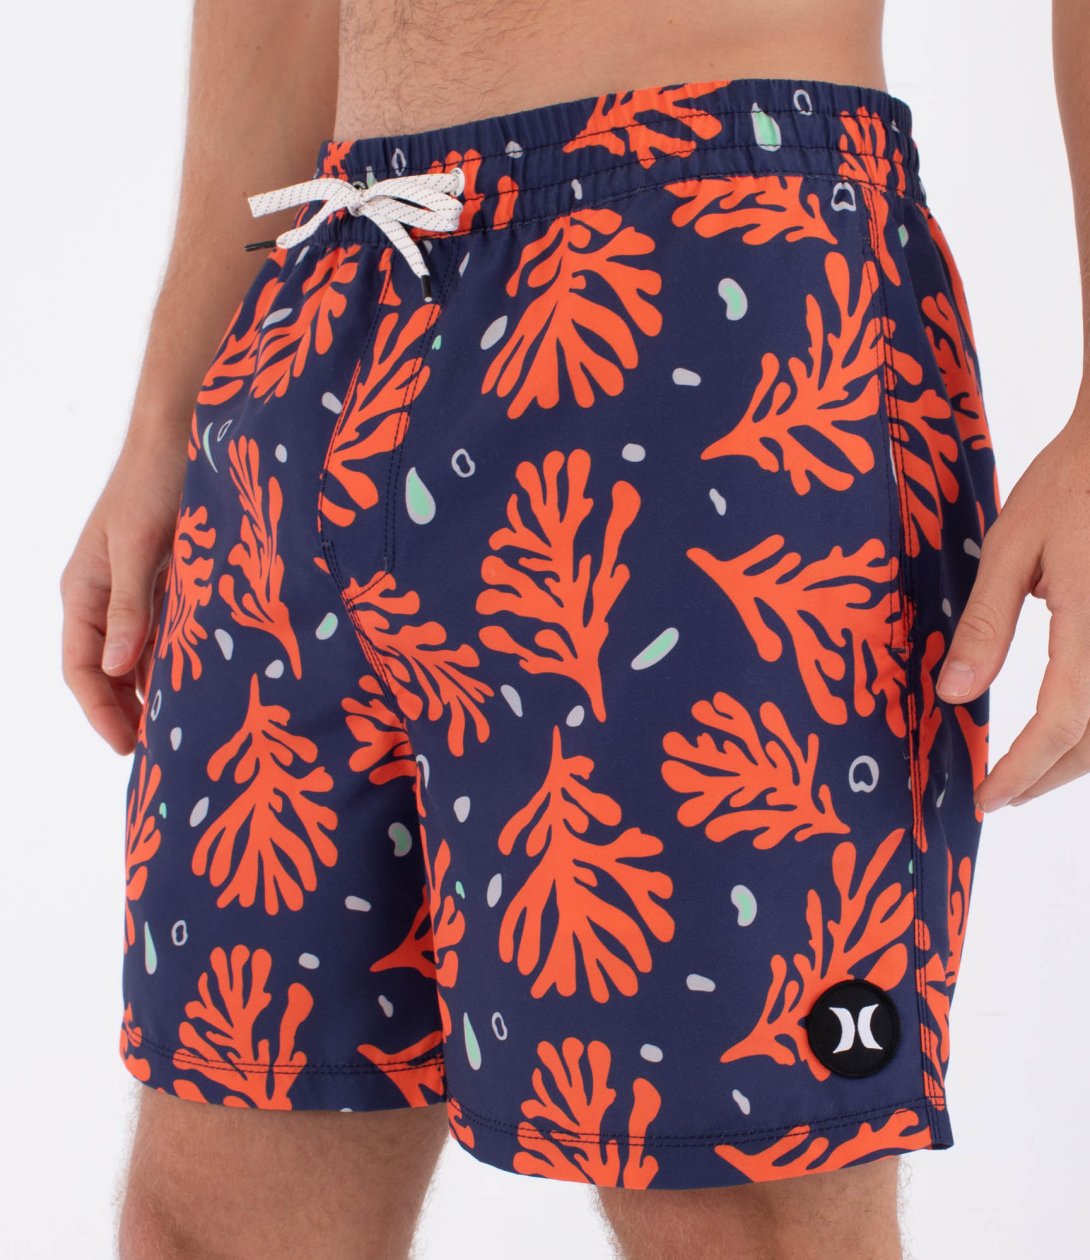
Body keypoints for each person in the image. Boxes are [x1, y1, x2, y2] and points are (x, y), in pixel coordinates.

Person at [58, 0, 1090, 1256]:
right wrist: (167, 414)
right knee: (208, 1211)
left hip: (707, 279)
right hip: (327, 290)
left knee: (741, 1200)